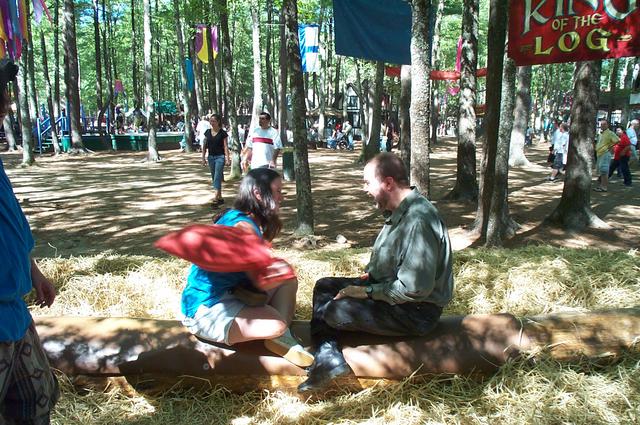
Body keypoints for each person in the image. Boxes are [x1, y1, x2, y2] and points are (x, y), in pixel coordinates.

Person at [298, 153, 454, 393]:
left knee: (334, 310)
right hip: (397, 298)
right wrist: (372, 276)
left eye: (367, 182)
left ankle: (327, 357)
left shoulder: (418, 220)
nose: (365, 189)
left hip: (416, 312)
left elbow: (414, 289)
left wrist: (367, 291)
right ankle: (328, 358)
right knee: (325, 286)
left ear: (388, 183)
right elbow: (395, 260)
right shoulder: (399, 212)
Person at [180, 168, 314, 367]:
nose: (281, 197)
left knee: (288, 282)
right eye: (277, 191)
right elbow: (259, 281)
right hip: (206, 310)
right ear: (258, 194)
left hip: (231, 295)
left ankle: (280, 338)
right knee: (276, 324)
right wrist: (280, 269)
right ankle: (279, 333)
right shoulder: (244, 228)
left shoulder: (243, 220)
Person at [0, 59, 59, 424]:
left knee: (37, 398)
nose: (7, 104)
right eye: (1, 95)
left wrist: (34, 272)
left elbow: (11, 225)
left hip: (14, 312)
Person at [202, 114, 231, 206]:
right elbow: (204, 146)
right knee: (214, 176)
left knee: (217, 176)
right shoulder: (207, 132)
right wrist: (203, 158)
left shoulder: (223, 133)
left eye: (214, 121)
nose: (212, 123)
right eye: (211, 121)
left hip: (220, 157)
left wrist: (228, 158)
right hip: (211, 157)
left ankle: (215, 197)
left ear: (218, 122)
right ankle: (220, 197)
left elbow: (226, 146)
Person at [594, 120, 619, 192]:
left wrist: (609, 147)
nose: (602, 126)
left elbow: (617, 140)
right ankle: (601, 186)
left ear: (607, 125)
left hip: (605, 153)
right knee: (601, 171)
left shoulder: (610, 133)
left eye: (604, 124)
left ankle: (604, 187)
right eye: (601, 124)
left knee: (604, 170)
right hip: (599, 153)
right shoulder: (601, 134)